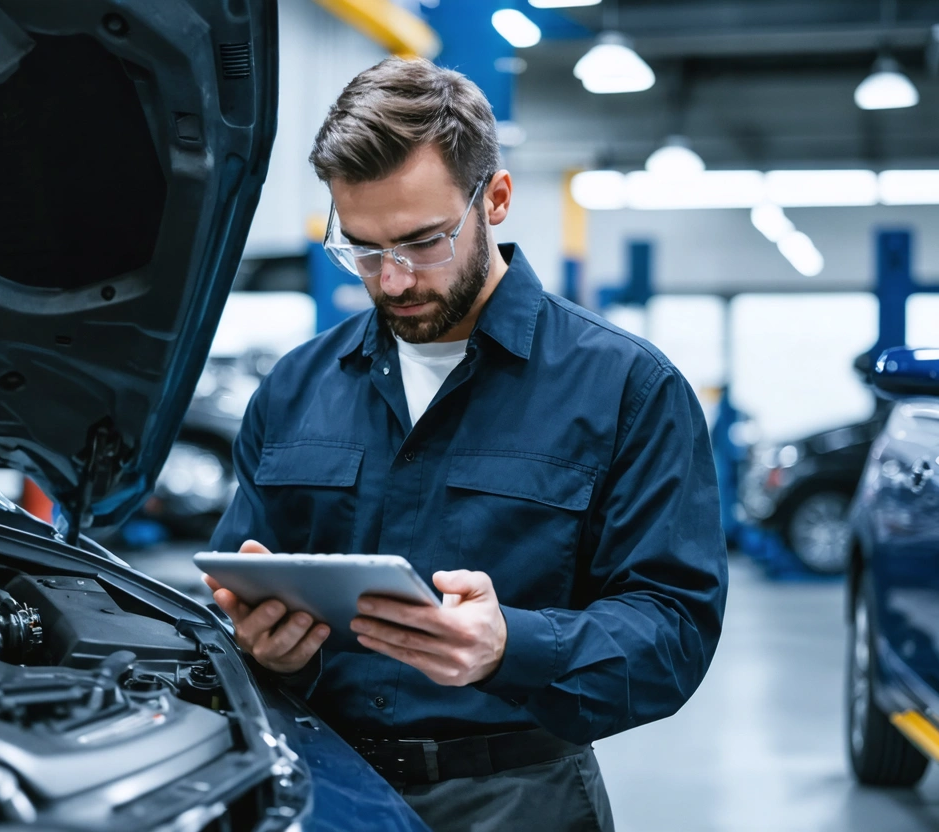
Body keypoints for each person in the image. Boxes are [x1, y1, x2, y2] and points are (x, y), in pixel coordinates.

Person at [205, 56, 728, 832]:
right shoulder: (293, 389)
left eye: (421, 243)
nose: (391, 280)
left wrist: (511, 644)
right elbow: (234, 596)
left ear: (498, 200)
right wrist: (263, 645)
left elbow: (674, 631)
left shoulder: (627, 388)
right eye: (363, 248)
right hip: (323, 789)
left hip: (520, 798)